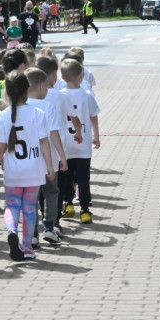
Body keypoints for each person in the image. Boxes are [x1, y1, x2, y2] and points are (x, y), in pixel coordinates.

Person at [0, 72, 57, 261]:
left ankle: (12, 231)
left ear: (7, 93)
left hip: (14, 170)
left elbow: (0, 147)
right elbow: (44, 142)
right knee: (30, 207)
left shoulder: (3, 116)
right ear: (26, 91)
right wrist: (49, 166)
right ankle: (27, 247)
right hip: (34, 169)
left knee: (12, 205)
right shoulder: (37, 114)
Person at [25, 67, 71, 243]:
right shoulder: (47, 106)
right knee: (52, 192)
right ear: (43, 86)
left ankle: (33, 233)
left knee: (32, 197)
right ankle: (50, 227)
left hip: (29, 160)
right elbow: (53, 133)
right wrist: (62, 156)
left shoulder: (21, 106)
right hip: (49, 159)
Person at [57, 58, 101, 223]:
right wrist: (96, 135)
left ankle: (68, 203)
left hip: (65, 143)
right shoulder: (86, 95)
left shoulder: (60, 96)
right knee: (83, 177)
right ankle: (85, 209)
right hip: (82, 144)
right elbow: (93, 116)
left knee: (66, 175)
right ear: (81, 75)